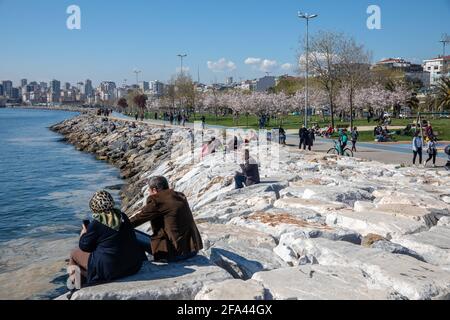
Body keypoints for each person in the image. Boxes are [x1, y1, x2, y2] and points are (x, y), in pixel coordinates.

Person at [68, 191, 146, 287]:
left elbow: (84, 247)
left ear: (94, 206)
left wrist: (83, 233)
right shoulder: (123, 217)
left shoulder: (97, 223)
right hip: (133, 266)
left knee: (73, 254)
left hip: (111, 270)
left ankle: (75, 288)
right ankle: (87, 280)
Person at [130, 177, 203, 263]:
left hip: (175, 254)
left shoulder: (157, 200)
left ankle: (141, 265)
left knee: (130, 232)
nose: (149, 193)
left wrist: (118, 225)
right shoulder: (179, 195)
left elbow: (138, 219)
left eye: (149, 190)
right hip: (192, 250)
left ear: (154, 190)